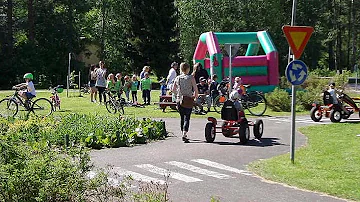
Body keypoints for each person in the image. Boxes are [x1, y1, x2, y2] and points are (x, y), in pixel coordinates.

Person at [172, 62, 199, 143]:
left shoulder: (178, 78)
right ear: (188, 69)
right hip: (188, 99)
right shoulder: (191, 78)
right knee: (187, 117)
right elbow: (195, 89)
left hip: (179, 100)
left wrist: (178, 95)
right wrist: (195, 96)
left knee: (182, 117)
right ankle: (184, 133)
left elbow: (173, 89)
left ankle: (182, 133)